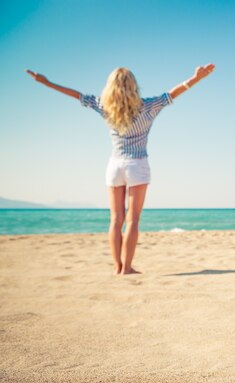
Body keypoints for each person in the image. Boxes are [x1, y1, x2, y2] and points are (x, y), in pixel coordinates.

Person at [25, 64, 215, 275]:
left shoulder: (104, 106)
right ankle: (127, 267)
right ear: (134, 86)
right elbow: (173, 94)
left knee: (116, 220)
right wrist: (196, 77)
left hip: (114, 166)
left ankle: (117, 266)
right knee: (133, 219)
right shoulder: (148, 106)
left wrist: (47, 83)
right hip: (137, 165)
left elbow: (76, 95)